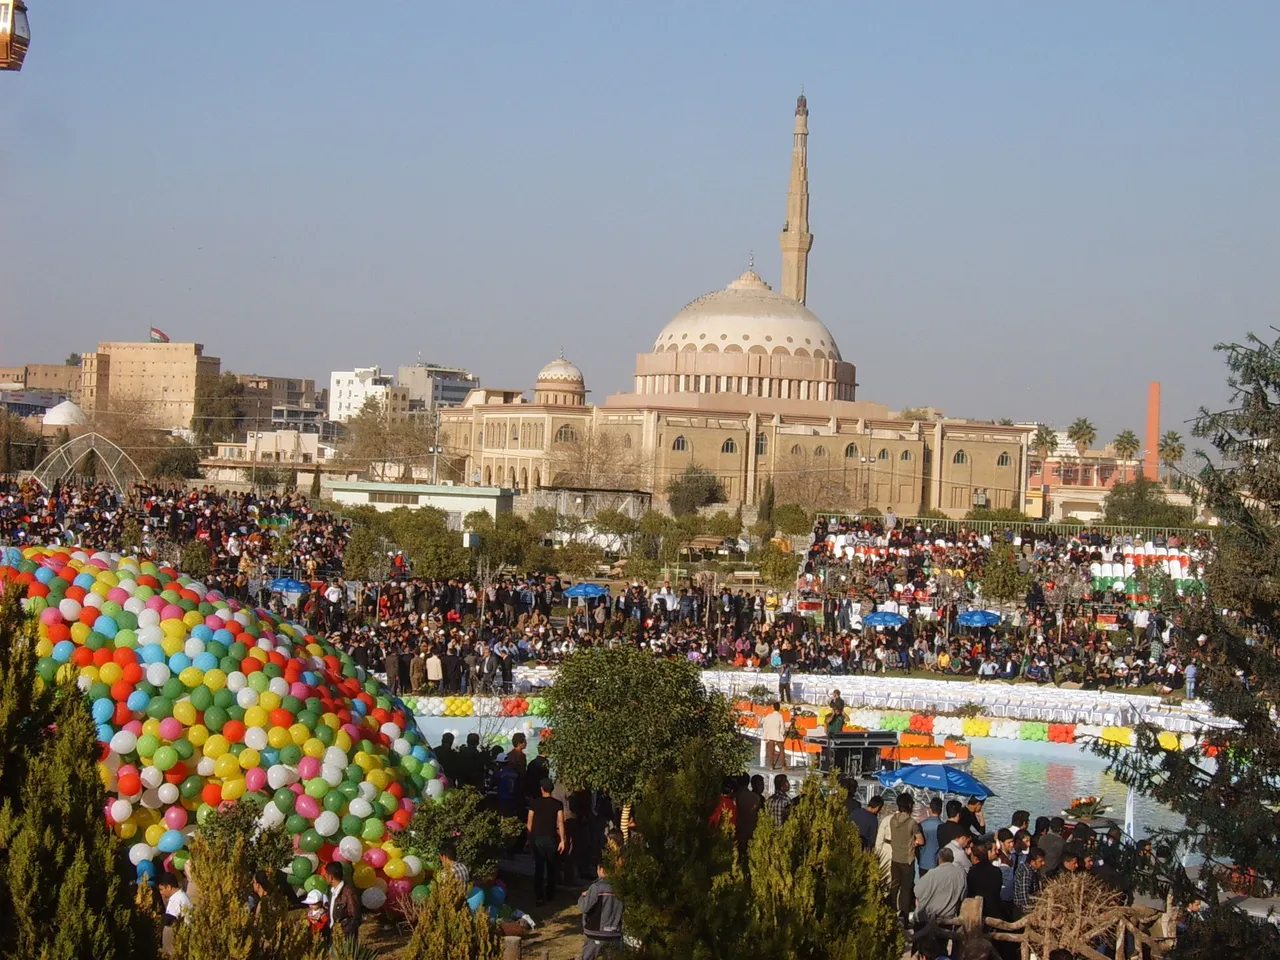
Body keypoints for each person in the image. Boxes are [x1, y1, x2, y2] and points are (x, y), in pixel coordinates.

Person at [884, 793, 924, 924]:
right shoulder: (912, 823)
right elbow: (921, 840)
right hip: (907, 860)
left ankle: (891, 914)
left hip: (895, 858)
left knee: (894, 887)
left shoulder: (892, 820)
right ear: (910, 806)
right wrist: (913, 843)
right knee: (906, 889)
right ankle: (904, 917)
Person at [527, 777, 566, 905]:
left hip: (537, 838)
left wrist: (529, 838)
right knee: (551, 867)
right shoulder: (557, 804)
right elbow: (560, 823)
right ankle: (550, 893)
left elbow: (530, 822)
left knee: (539, 867)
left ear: (541, 789)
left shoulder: (534, 803)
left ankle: (539, 895)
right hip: (551, 838)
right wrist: (563, 840)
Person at [578, 863, 624, 960]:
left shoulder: (596, 887)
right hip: (614, 932)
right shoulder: (620, 888)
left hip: (596, 933)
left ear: (601, 869)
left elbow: (584, 907)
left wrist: (583, 896)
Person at [913, 846, 967, 926]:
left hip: (927, 918)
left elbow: (917, 892)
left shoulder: (932, 874)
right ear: (952, 859)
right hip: (948, 919)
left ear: (939, 859)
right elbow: (963, 896)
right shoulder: (961, 874)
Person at [966, 839, 1006, 920]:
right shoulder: (997, 870)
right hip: (995, 909)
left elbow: (970, 891)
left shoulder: (973, 872)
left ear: (976, 858)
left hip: (979, 910)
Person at [324, 862, 361, 945]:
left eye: (326, 875)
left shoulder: (348, 892)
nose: (324, 877)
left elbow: (355, 917)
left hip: (343, 937)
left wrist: (345, 933)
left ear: (331, 877)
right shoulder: (332, 892)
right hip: (332, 935)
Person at [735, 774, 765, 863]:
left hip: (743, 831)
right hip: (750, 831)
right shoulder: (755, 798)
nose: (762, 787)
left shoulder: (737, 796)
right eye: (760, 785)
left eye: (762, 785)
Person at [1013, 847, 1046, 912]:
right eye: (1040, 861)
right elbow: (1024, 897)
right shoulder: (1026, 872)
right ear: (1032, 862)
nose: (1043, 863)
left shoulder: (1032, 869)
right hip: (1023, 911)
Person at [917, 797, 943, 874]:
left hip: (923, 863)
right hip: (937, 864)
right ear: (941, 811)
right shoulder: (942, 826)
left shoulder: (921, 825)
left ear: (930, 809)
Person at [761, 701, 787, 770]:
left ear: (773, 708)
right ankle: (783, 766)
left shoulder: (769, 716)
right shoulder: (780, 716)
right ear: (779, 708)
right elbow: (782, 727)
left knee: (770, 751)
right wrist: (783, 733)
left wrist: (766, 733)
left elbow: (764, 725)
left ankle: (771, 766)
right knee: (781, 751)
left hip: (770, 735)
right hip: (778, 735)